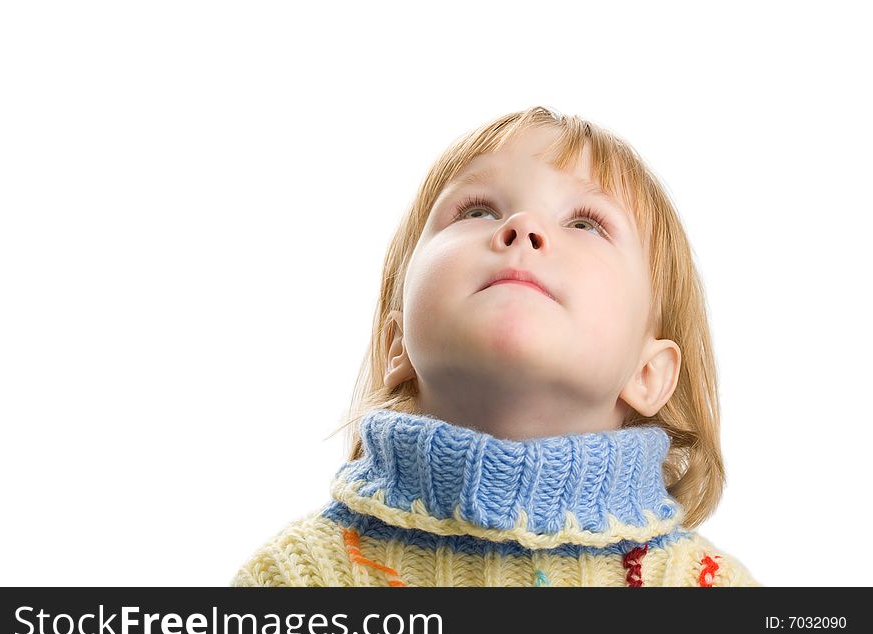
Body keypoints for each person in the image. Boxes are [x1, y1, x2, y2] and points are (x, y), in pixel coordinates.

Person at [230, 106, 761, 587]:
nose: (521, 228)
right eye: (478, 210)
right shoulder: (293, 580)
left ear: (648, 373)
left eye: (585, 223)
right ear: (396, 346)